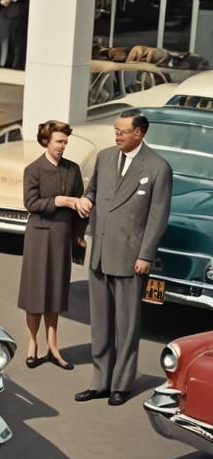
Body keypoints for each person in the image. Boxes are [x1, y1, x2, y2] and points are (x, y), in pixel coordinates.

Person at [74, 110, 172, 406]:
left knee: (126, 324)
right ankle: (100, 381)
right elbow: (91, 190)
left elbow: (158, 217)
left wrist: (146, 255)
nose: (116, 135)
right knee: (100, 323)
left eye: (122, 131)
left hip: (131, 258)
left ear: (139, 133)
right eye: (115, 130)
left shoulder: (158, 168)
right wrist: (87, 200)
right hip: (100, 253)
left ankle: (122, 383)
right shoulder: (104, 157)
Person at [16, 121, 86, 370]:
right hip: (38, 236)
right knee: (36, 292)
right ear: (46, 141)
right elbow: (31, 203)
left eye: (65, 142)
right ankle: (33, 343)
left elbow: (80, 206)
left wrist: (79, 235)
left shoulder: (73, 170)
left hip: (61, 237)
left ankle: (53, 346)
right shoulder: (33, 169)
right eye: (59, 141)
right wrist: (59, 200)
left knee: (55, 291)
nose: (63, 146)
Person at [0, 0, 29, 68]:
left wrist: (10, 0)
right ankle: (13, 63)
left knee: (18, 42)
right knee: (13, 41)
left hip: (20, 16)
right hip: (13, 16)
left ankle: (17, 64)